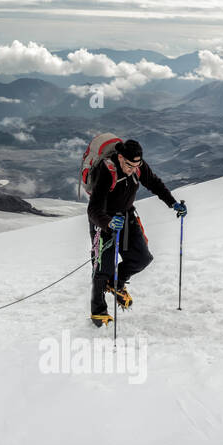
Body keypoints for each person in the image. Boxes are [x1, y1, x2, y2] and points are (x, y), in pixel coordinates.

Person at [86, 139, 186, 328]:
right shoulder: (107, 171)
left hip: (127, 216)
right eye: (129, 165)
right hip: (103, 220)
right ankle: (98, 312)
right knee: (102, 267)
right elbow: (93, 209)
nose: (133, 169)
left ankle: (116, 283)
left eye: (137, 165)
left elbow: (154, 183)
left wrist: (172, 203)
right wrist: (107, 223)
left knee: (142, 258)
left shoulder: (138, 166)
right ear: (120, 157)